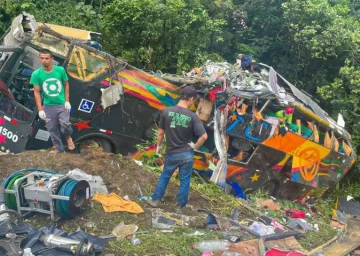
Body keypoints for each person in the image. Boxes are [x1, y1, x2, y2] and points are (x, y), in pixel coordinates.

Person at [148, 86, 208, 211]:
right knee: (185, 180)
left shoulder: (166, 111)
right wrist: (194, 146)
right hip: (186, 154)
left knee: (165, 176)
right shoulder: (193, 116)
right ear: (191, 99)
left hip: (172, 153)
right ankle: (179, 207)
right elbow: (204, 136)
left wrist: (158, 148)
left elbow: (160, 133)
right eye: (194, 100)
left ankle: (155, 200)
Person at [30, 49, 75, 153]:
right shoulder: (36, 74)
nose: (44, 60)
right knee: (52, 129)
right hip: (48, 106)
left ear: (51, 59)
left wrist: (67, 101)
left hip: (61, 104)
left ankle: (68, 137)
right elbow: (36, 92)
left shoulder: (60, 70)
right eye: (42, 58)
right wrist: (40, 109)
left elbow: (66, 84)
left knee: (65, 124)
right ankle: (59, 149)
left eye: (46, 58)